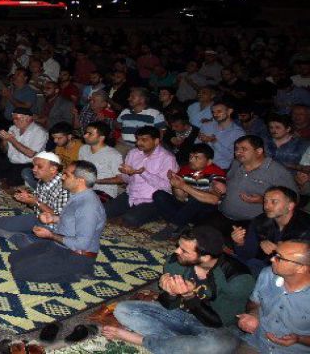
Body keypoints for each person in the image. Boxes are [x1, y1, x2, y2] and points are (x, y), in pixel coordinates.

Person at [103, 226, 253, 354]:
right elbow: (168, 305)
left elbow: (218, 322)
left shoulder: (237, 279)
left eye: (184, 250)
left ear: (206, 257)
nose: (176, 252)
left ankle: (143, 340)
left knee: (216, 346)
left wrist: (189, 295)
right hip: (181, 315)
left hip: (218, 328)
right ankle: (180, 344)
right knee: (123, 309)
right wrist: (170, 293)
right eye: (179, 246)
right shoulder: (176, 262)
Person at [9, 160, 106, 283]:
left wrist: (50, 235)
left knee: (19, 272)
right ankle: (63, 266)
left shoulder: (89, 206)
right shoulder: (78, 196)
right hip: (60, 246)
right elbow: (74, 219)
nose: (62, 177)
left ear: (80, 180)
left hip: (77, 255)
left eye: (67, 175)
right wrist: (53, 218)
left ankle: (75, 273)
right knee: (13, 258)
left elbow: (81, 244)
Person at [205, 135, 297, 237]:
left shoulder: (277, 172)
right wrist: (220, 185)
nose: (238, 152)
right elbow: (228, 181)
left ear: (259, 151)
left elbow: (293, 199)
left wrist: (262, 200)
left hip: (252, 223)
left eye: (244, 149)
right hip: (223, 214)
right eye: (236, 149)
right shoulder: (236, 163)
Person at [236, 239, 310, 353]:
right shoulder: (267, 274)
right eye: (275, 254)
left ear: (301, 268)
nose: (271, 259)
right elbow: (254, 303)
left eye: (279, 258)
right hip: (258, 343)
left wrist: (299, 339)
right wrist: (253, 314)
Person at [104, 126, 179, 227]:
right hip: (131, 195)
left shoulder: (168, 158)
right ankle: (131, 212)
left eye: (144, 140)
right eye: (138, 139)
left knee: (130, 219)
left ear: (156, 141)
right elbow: (126, 180)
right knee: (103, 211)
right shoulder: (133, 153)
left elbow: (167, 186)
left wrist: (143, 173)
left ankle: (155, 214)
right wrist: (128, 173)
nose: (139, 143)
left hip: (152, 200)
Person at [151, 143, 227, 240]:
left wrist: (183, 186)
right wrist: (176, 185)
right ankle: (182, 225)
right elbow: (180, 198)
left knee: (197, 199)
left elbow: (214, 199)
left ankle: (173, 226)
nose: (191, 160)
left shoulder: (216, 173)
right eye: (191, 156)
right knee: (159, 195)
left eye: (197, 158)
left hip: (205, 214)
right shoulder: (185, 169)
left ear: (208, 162)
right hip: (186, 209)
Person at [232, 186, 310, 275]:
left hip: (290, 274)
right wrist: (240, 242)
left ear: (290, 206)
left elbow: (303, 268)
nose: (267, 206)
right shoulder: (260, 222)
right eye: (265, 201)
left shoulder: (305, 228)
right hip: (261, 265)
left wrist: (278, 250)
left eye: (274, 202)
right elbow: (247, 256)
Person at [0, 151, 70, 242]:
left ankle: (20, 238)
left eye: (39, 166)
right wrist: (28, 199)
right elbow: (38, 205)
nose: (34, 169)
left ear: (53, 169)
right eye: (34, 166)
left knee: (29, 244)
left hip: (53, 230)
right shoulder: (42, 180)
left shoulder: (65, 187)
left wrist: (36, 202)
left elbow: (61, 218)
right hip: (37, 218)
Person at [0, 107, 48, 185]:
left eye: (17, 118)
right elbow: (4, 150)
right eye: (13, 119)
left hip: (28, 165)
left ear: (28, 118)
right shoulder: (13, 128)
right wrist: (4, 140)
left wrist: (11, 139)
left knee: (10, 180)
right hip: (11, 161)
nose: (14, 121)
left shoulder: (40, 132)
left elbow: (30, 154)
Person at [78, 121, 123, 202]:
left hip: (104, 191)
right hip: (84, 188)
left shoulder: (113, 155)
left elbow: (120, 179)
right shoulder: (83, 149)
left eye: (90, 134)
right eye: (85, 133)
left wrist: (96, 181)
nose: (85, 136)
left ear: (101, 137)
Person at [197, 100, 245, 170]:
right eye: (213, 112)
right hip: (200, 166)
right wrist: (203, 142)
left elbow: (233, 156)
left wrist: (214, 141)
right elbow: (196, 147)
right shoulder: (206, 126)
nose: (215, 114)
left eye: (219, 111)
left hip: (221, 168)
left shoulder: (238, 133)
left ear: (229, 111)